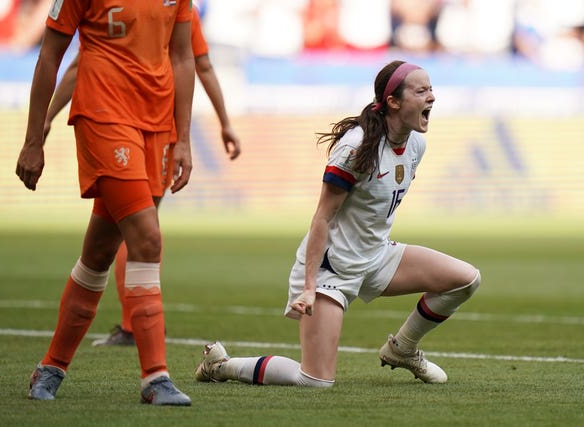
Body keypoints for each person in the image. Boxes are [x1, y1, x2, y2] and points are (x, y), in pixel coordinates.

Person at [194, 60, 481, 387]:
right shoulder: (354, 147)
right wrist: (309, 287)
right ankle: (222, 365)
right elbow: (322, 218)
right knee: (315, 381)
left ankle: (402, 349)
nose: (431, 96)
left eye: (431, 89)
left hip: (375, 257)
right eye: (421, 90)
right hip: (333, 268)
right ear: (393, 101)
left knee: (465, 279)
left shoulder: (416, 144)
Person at [15, 0, 195, 406]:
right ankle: (156, 378)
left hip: (157, 126)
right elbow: (50, 54)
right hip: (104, 117)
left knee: (98, 252)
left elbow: (183, 57)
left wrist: (182, 138)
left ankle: (50, 367)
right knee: (147, 239)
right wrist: (33, 138)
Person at [41, 6, 242, 348]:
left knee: (131, 230)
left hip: (159, 129)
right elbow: (76, 61)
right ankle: (133, 345)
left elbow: (193, 62)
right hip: (121, 124)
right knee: (136, 228)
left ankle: (129, 333)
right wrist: (45, 119)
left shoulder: (178, 9)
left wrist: (216, 125)